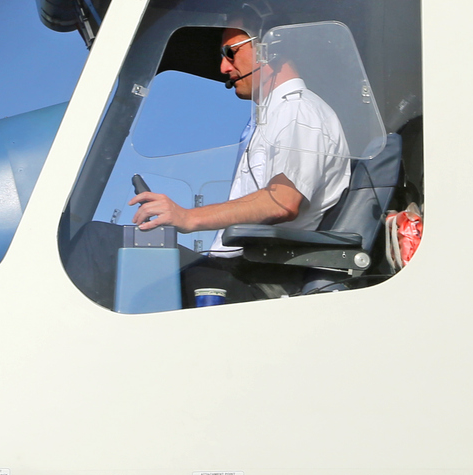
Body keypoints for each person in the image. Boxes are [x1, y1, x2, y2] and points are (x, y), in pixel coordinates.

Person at [128, 25, 351, 300]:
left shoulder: (297, 111)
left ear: (272, 49)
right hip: (238, 268)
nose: (223, 67)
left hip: (257, 276)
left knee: (100, 248)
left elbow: (282, 201)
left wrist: (187, 217)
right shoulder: (274, 114)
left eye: (230, 53)